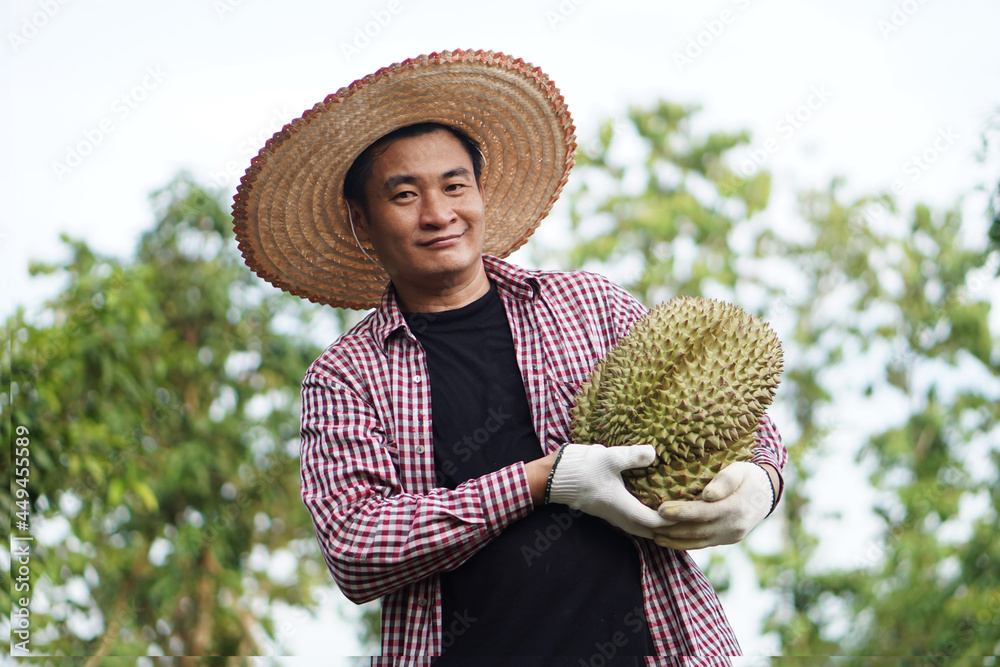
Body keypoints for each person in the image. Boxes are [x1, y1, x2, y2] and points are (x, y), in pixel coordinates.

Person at [232, 50, 786, 666]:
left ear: (481, 192)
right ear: (362, 221)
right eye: (405, 195)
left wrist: (759, 483)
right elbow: (356, 549)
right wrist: (547, 480)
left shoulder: (588, 305)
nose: (438, 213)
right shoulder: (346, 376)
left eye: (454, 185)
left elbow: (742, 423)